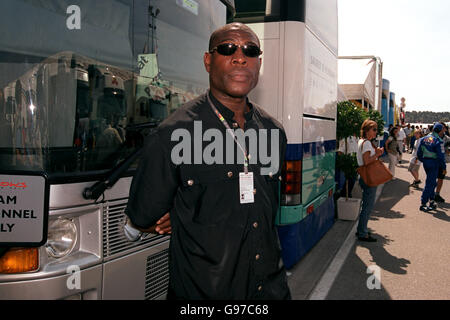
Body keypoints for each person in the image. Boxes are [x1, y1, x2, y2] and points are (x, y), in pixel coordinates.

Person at [124, 22, 291, 299]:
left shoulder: (274, 132)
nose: (240, 57)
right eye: (227, 48)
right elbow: (142, 216)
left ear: (258, 63)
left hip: (270, 291)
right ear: (208, 60)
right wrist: (164, 217)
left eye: (250, 51)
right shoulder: (171, 134)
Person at [356, 120, 384, 242]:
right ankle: (362, 232)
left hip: (363, 176)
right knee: (367, 206)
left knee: (365, 205)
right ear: (367, 130)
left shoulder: (362, 142)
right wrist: (377, 154)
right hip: (368, 176)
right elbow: (367, 161)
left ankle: (361, 229)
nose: (376, 132)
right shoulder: (367, 143)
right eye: (374, 129)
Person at [417, 122, 447, 212]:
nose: (443, 131)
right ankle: (423, 203)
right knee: (430, 183)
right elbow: (441, 157)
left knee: (432, 182)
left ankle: (432, 200)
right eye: (442, 129)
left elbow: (419, 153)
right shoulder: (438, 141)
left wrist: (424, 160)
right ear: (439, 130)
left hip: (426, 162)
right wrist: (444, 168)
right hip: (434, 163)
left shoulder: (423, 139)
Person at [435, 122, 450, 202]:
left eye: (444, 127)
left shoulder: (447, 138)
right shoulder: (432, 137)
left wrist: (447, 150)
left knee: (441, 178)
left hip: (442, 161)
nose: (443, 129)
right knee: (432, 179)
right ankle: (430, 195)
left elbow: (448, 151)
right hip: (433, 161)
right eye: (441, 127)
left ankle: (437, 194)